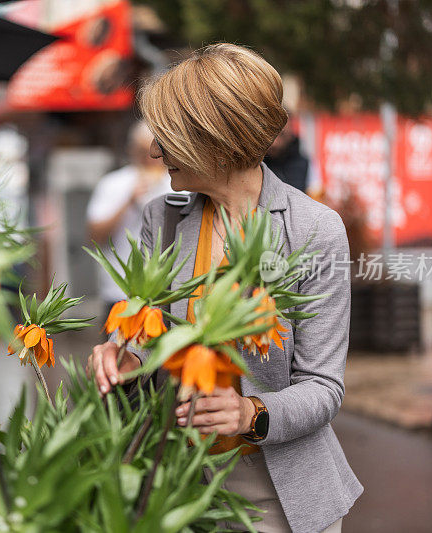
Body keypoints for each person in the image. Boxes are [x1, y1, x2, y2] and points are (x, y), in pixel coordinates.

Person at [87, 44, 362, 533]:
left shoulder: (314, 229)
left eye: (168, 136)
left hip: (279, 496)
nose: (155, 151)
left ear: (218, 139)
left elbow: (323, 387)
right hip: (178, 483)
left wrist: (247, 412)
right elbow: (145, 336)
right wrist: (122, 356)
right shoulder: (163, 219)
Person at [86, 121, 172, 314]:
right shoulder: (114, 183)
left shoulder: (176, 182)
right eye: (143, 152)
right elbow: (94, 236)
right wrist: (128, 202)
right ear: (132, 150)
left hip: (166, 291)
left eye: (156, 150)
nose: (150, 159)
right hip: (119, 292)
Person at [264, 120, 310, 193]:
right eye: (270, 135)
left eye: (281, 135)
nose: (275, 143)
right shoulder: (256, 164)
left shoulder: (305, 163)